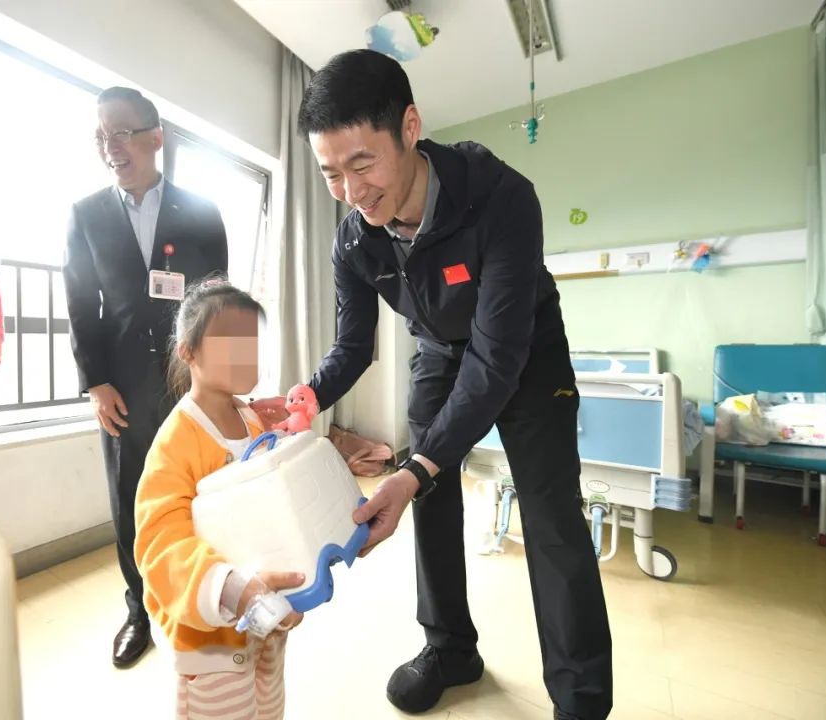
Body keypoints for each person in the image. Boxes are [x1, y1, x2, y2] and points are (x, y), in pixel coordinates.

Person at [252, 50, 612, 719]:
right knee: (431, 501)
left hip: (526, 352)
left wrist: (414, 465)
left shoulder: (502, 199)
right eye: (331, 173)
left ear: (410, 128)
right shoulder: (354, 240)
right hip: (440, 354)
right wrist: (312, 394)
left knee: (552, 519)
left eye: (362, 164)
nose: (351, 191)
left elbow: (497, 359)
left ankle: (581, 701)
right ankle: (449, 649)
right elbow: (353, 346)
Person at [63, 86, 228, 669]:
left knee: (200, 486)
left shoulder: (202, 213)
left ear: (155, 138)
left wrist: (219, 375)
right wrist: (95, 382)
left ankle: (199, 590)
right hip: (123, 383)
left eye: (121, 132)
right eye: (100, 136)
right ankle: (139, 608)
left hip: (189, 377)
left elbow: (217, 299)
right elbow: (80, 302)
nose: (110, 145)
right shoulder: (86, 215)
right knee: (130, 493)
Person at [135, 282, 303, 720]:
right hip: (211, 643)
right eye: (231, 342)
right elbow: (159, 544)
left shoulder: (251, 419)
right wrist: (232, 589)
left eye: (253, 342)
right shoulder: (175, 442)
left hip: (266, 624)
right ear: (188, 351)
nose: (247, 354)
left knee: (269, 708)